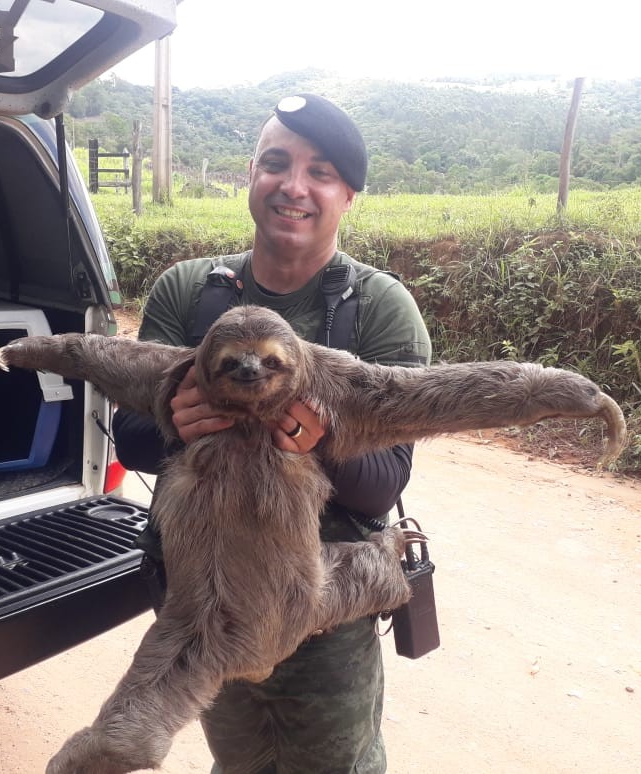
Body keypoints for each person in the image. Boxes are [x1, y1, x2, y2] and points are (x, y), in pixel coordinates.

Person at [111, 93, 432, 774]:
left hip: (324, 606)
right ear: (251, 175)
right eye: (276, 163)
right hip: (208, 596)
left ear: (348, 193)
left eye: (320, 172)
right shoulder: (188, 291)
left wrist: (305, 432)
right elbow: (131, 439)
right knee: (239, 762)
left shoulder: (378, 308)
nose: (294, 186)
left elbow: (382, 487)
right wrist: (173, 418)